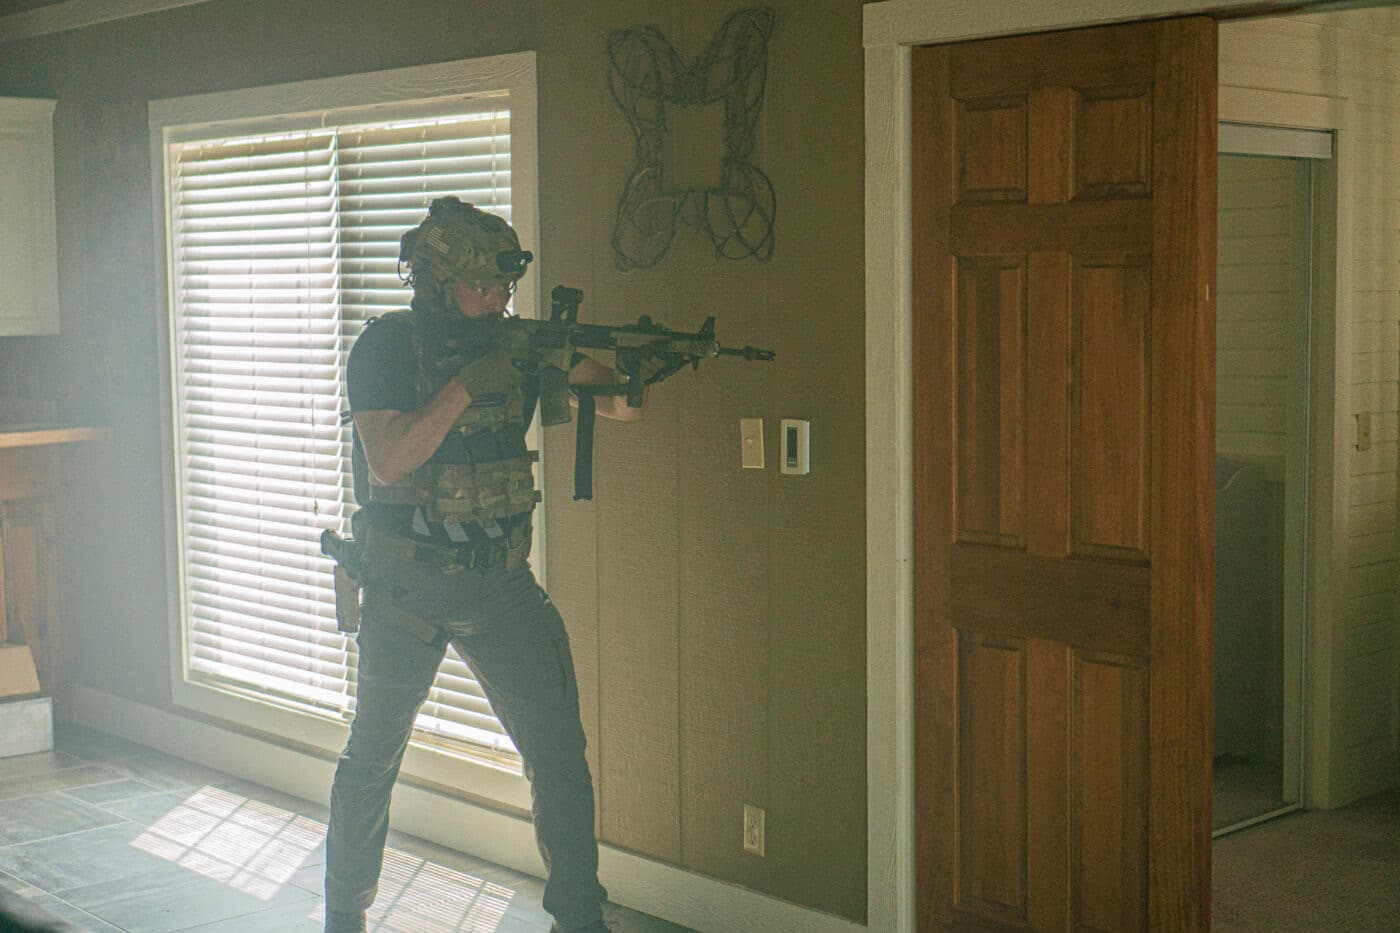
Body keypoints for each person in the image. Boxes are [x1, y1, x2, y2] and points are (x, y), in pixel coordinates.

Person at [323, 196, 639, 933]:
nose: (497, 301)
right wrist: (470, 383)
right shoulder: (386, 349)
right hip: (408, 584)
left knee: (558, 748)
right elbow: (391, 458)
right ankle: (345, 915)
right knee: (373, 755)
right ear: (436, 281)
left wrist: (631, 372)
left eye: (504, 289)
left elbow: (622, 404)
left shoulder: (518, 344)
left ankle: (580, 916)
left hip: (501, 585)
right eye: (481, 288)